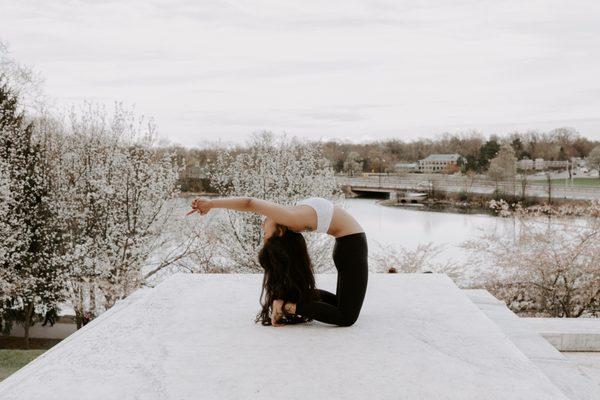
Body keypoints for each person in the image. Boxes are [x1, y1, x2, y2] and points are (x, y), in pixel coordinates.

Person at [187, 196, 368, 327]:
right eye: (265, 236)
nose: (262, 231)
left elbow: (249, 203)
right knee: (346, 317)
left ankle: (290, 300)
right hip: (351, 246)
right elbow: (250, 203)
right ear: (281, 232)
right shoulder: (290, 218)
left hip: (348, 246)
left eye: (264, 235)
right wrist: (211, 203)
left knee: (341, 304)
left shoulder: (290, 216)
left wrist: (212, 203)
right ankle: (289, 306)